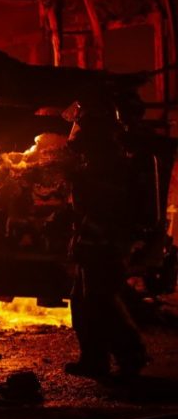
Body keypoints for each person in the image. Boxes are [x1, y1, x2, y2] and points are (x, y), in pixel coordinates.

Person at [63, 98, 149, 379]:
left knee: (101, 301)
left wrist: (78, 179)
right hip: (93, 242)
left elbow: (103, 203)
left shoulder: (110, 162)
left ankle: (131, 356)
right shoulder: (97, 160)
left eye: (83, 127)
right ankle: (94, 359)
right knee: (82, 301)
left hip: (106, 244)